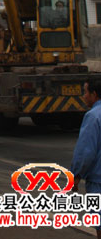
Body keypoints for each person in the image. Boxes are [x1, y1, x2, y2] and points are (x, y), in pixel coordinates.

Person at [71, 78, 101, 239]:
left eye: (85, 92)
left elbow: (86, 152)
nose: (84, 96)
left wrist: (76, 175)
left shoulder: (93, 116)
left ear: (94, 94)